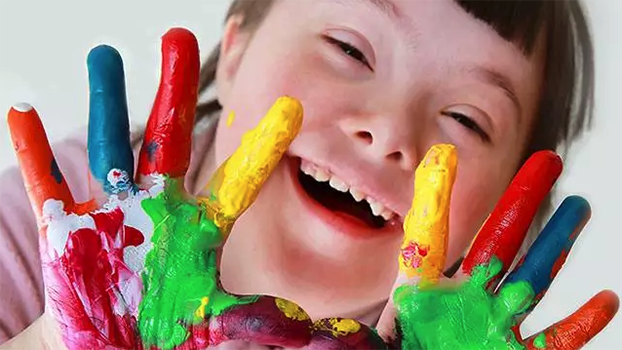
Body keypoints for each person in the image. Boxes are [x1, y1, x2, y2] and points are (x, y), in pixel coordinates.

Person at [0, 0, 609, 348]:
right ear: (235, 46)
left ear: (504, 208)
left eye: (467, 119)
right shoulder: (63, 238)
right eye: (350, 49)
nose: (392, 132)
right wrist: (57, 341)